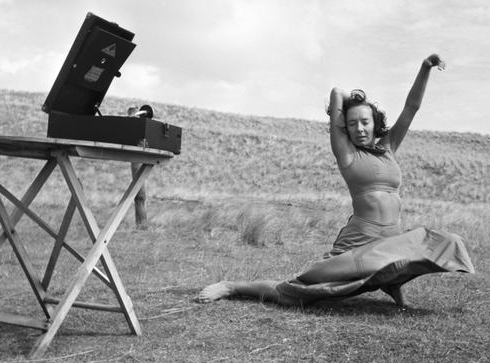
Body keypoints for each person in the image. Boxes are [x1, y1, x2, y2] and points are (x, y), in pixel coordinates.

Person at [196, 54, 474, 307]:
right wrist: (348, 97)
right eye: (352, 124)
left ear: (375, 123)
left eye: (365, 122)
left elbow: (411, 107)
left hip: (390, 239)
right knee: (298, 289)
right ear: (345, 129)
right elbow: (335, 93)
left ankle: (392, 286)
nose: (359, 129)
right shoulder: (347, 154)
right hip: (359, 241)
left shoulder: (388, 148)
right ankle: (232, 286)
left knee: (440, 242)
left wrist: (425, 67)